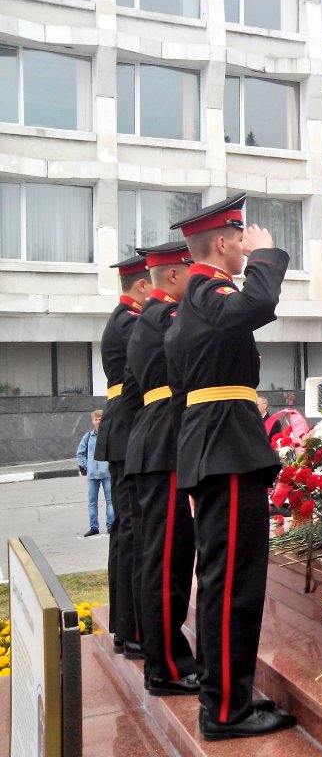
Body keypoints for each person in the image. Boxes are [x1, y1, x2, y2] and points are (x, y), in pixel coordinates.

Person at [167, 193, 296, 740]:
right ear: (222, 243)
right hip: (226, 445)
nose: (247, 247)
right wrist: (268, 255)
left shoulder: (194, 300)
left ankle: (226, 700)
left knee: (227, 578)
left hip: (217, 442)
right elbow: (256, 304)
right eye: (242, 240)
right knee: (232, 583)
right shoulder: (207, 290)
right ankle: (225, 711)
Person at [124, 241, 199, 697]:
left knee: (158, 558)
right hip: (164, 443)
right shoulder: (167, 315)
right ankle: (168, 666)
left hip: (152, 441)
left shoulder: (148, 315)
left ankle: (162, 659)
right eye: (192, 271)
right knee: (168, 560)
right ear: (173, 276)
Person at [94, 254, 150, 660]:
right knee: (132, 532)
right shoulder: (130, 322)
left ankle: (126, 625)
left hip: (125, 428)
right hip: (129, 428)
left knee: (127, 531)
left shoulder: (124, 318)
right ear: (143, 286)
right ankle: (132, 630)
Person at [76, 409, 113, 537]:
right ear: (92, 421)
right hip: (92, 475)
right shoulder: (88, 437)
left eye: (100, 419)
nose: (98, 421)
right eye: (95, 419)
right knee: (92, 502)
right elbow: (80, 453)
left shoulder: (109, 436)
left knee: (110, 501)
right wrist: (87, 466)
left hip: (107, 473)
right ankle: (94, 527)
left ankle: (111, 526)